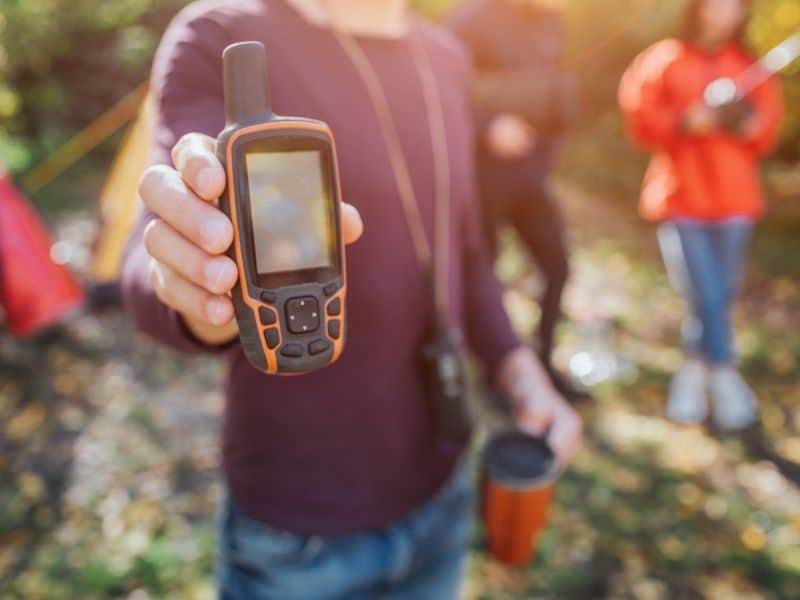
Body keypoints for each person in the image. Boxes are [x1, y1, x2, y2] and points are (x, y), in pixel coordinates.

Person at [122, 0, 582, 597]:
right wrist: (198, 289)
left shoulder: (445, 55)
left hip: (444, 490)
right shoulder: (223, 34)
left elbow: (461, 252)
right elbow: (151, 254)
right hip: (299, 532)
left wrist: (519, 368)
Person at [619, 0, 784, 430]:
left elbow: (767, 130)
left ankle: (693, 373)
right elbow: (639, 117)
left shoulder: (748, 67)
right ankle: (725, 373)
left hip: (734, 201)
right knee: (703, 293)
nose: (725, 10)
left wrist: (748, 124)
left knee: (718, 296)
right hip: (681, 198)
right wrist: (683, 121)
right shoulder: (665, 58)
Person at [448, 0, 589, 402]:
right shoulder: (471, 17)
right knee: (487, 274)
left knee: (557, 267)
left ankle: (543, 362)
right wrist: (489, 124)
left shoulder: (551, 21)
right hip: (481, 178)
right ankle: (497, 372)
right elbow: (442, 85)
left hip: (532, 177)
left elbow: (554, 82)